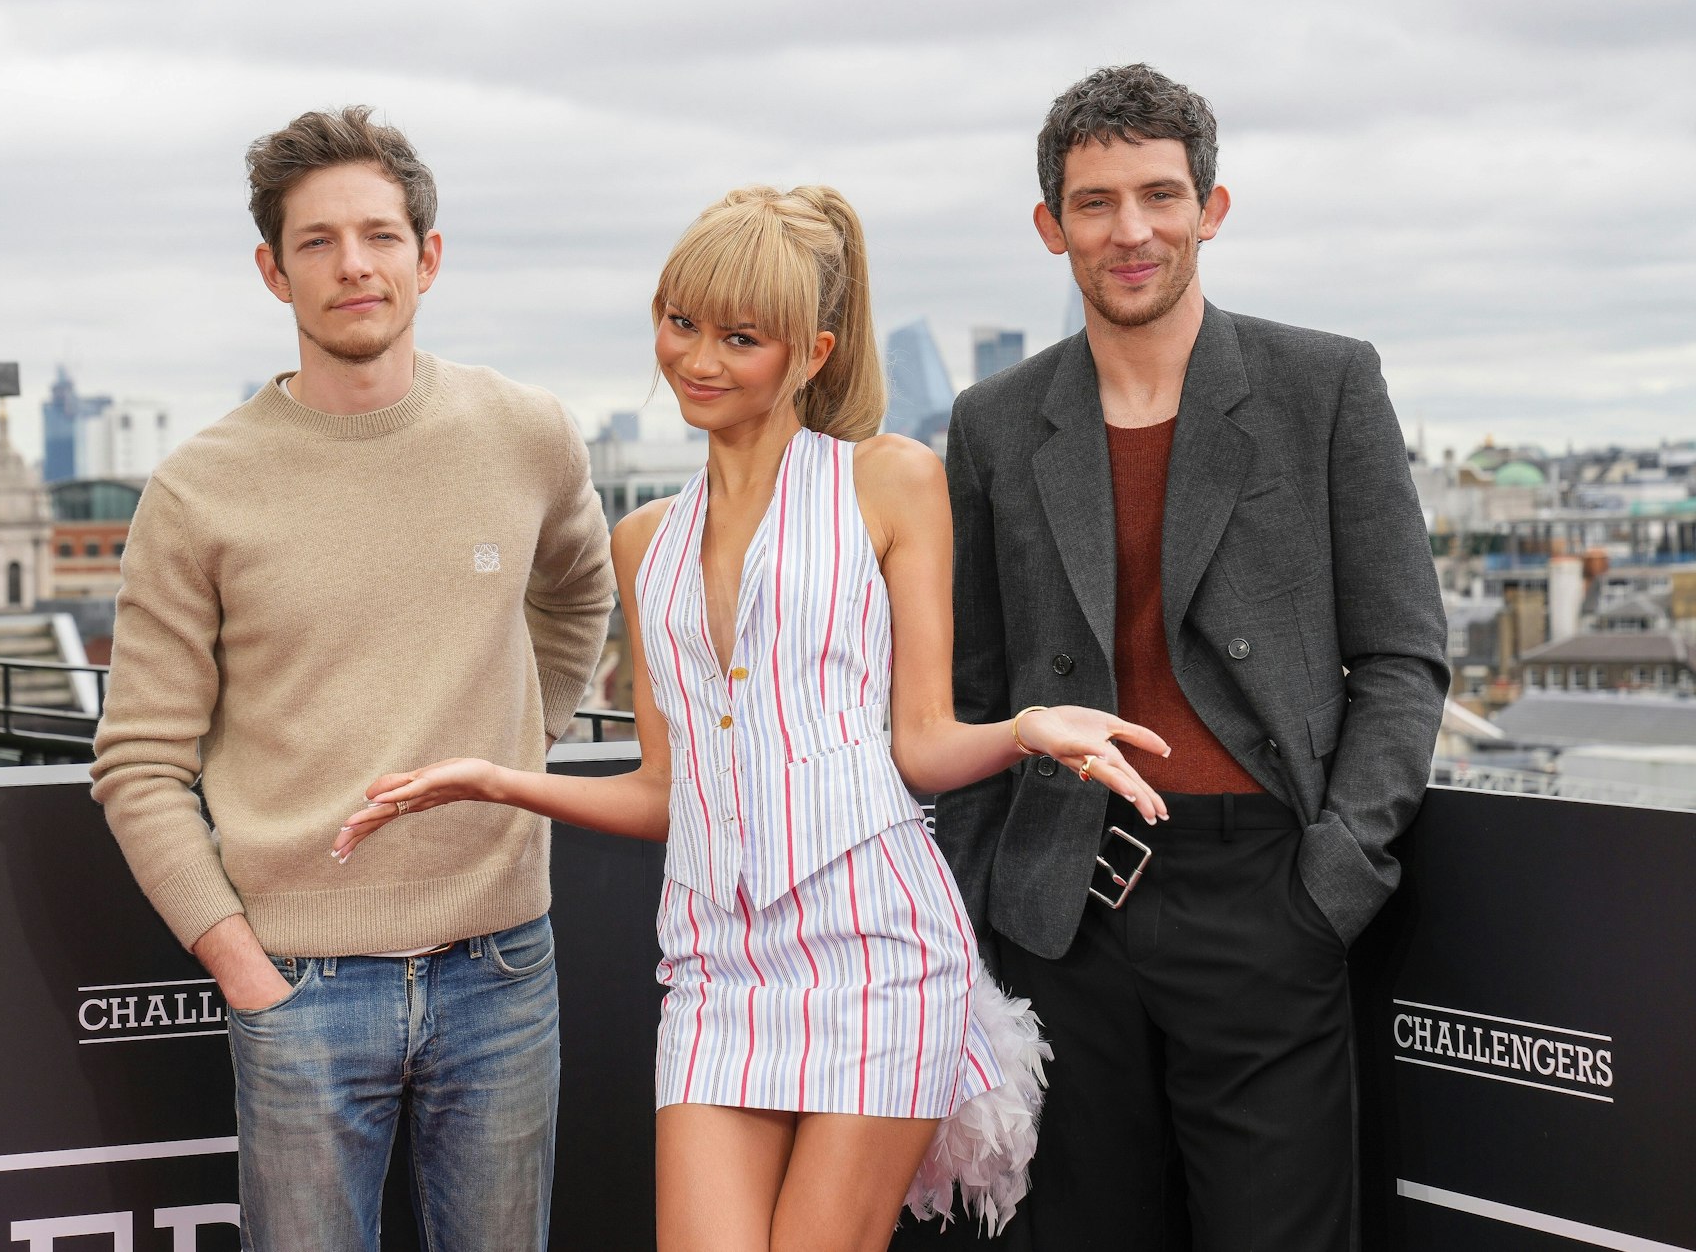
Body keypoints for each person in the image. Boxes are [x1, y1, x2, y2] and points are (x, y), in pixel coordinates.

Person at [335, 185, 1170, 1252]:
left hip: (880, 953)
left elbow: (916, 742)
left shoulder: (889, 481)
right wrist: (497, 779)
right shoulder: (643, 541)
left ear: (812, 351)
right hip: (715, 968)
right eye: (680, 322)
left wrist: (1023, 727)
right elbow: (662, 790)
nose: (696, 358)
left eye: (740, 336)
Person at [939, 64, 1449, 1249]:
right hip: (1060, 910)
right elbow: (970, 693)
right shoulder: (993, 422)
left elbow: (1400, 657)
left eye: (1159, 196)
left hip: (1264, 893)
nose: (1131, 231)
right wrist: (972, 933)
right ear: (1048, 225)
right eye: (1095, 202)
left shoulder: (1320, 384)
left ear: (1210, 209)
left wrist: (1328, 886)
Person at [90, 106, 614, 1250]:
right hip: (298, 980)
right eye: (316, 241)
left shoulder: (527, 434)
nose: (353, 265)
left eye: (379, 234)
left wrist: (519, 746)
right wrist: (244, 965)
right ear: (273, 272)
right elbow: (136, 760)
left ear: (427, 256)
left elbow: (579, 593)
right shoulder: (197, 490)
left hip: (503, 963)